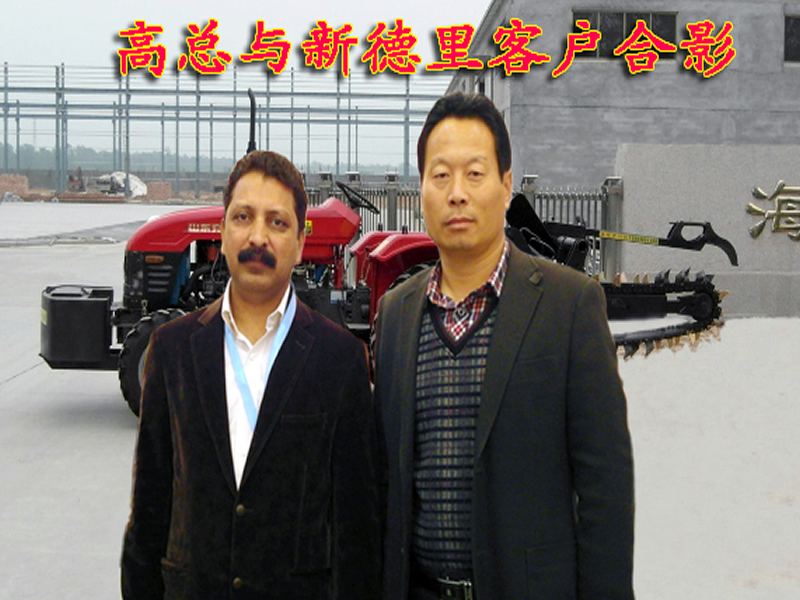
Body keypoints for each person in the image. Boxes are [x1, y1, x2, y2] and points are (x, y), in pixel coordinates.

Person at [373, 93, 634, 600]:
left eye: (474, 174)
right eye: (440, 175)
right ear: (421, 187)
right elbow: (386, 479)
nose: (456, 194)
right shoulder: (397, 313)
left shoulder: (569, 305)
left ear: (506, 184)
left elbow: (606, 487)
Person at [121, 150, 382, 600]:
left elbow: (356, 535)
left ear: (299, 242)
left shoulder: (340, 361)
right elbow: (149, 513)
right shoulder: (172, 351)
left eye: (277, 222)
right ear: (222, 232)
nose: (258, 236)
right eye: (243, 217)